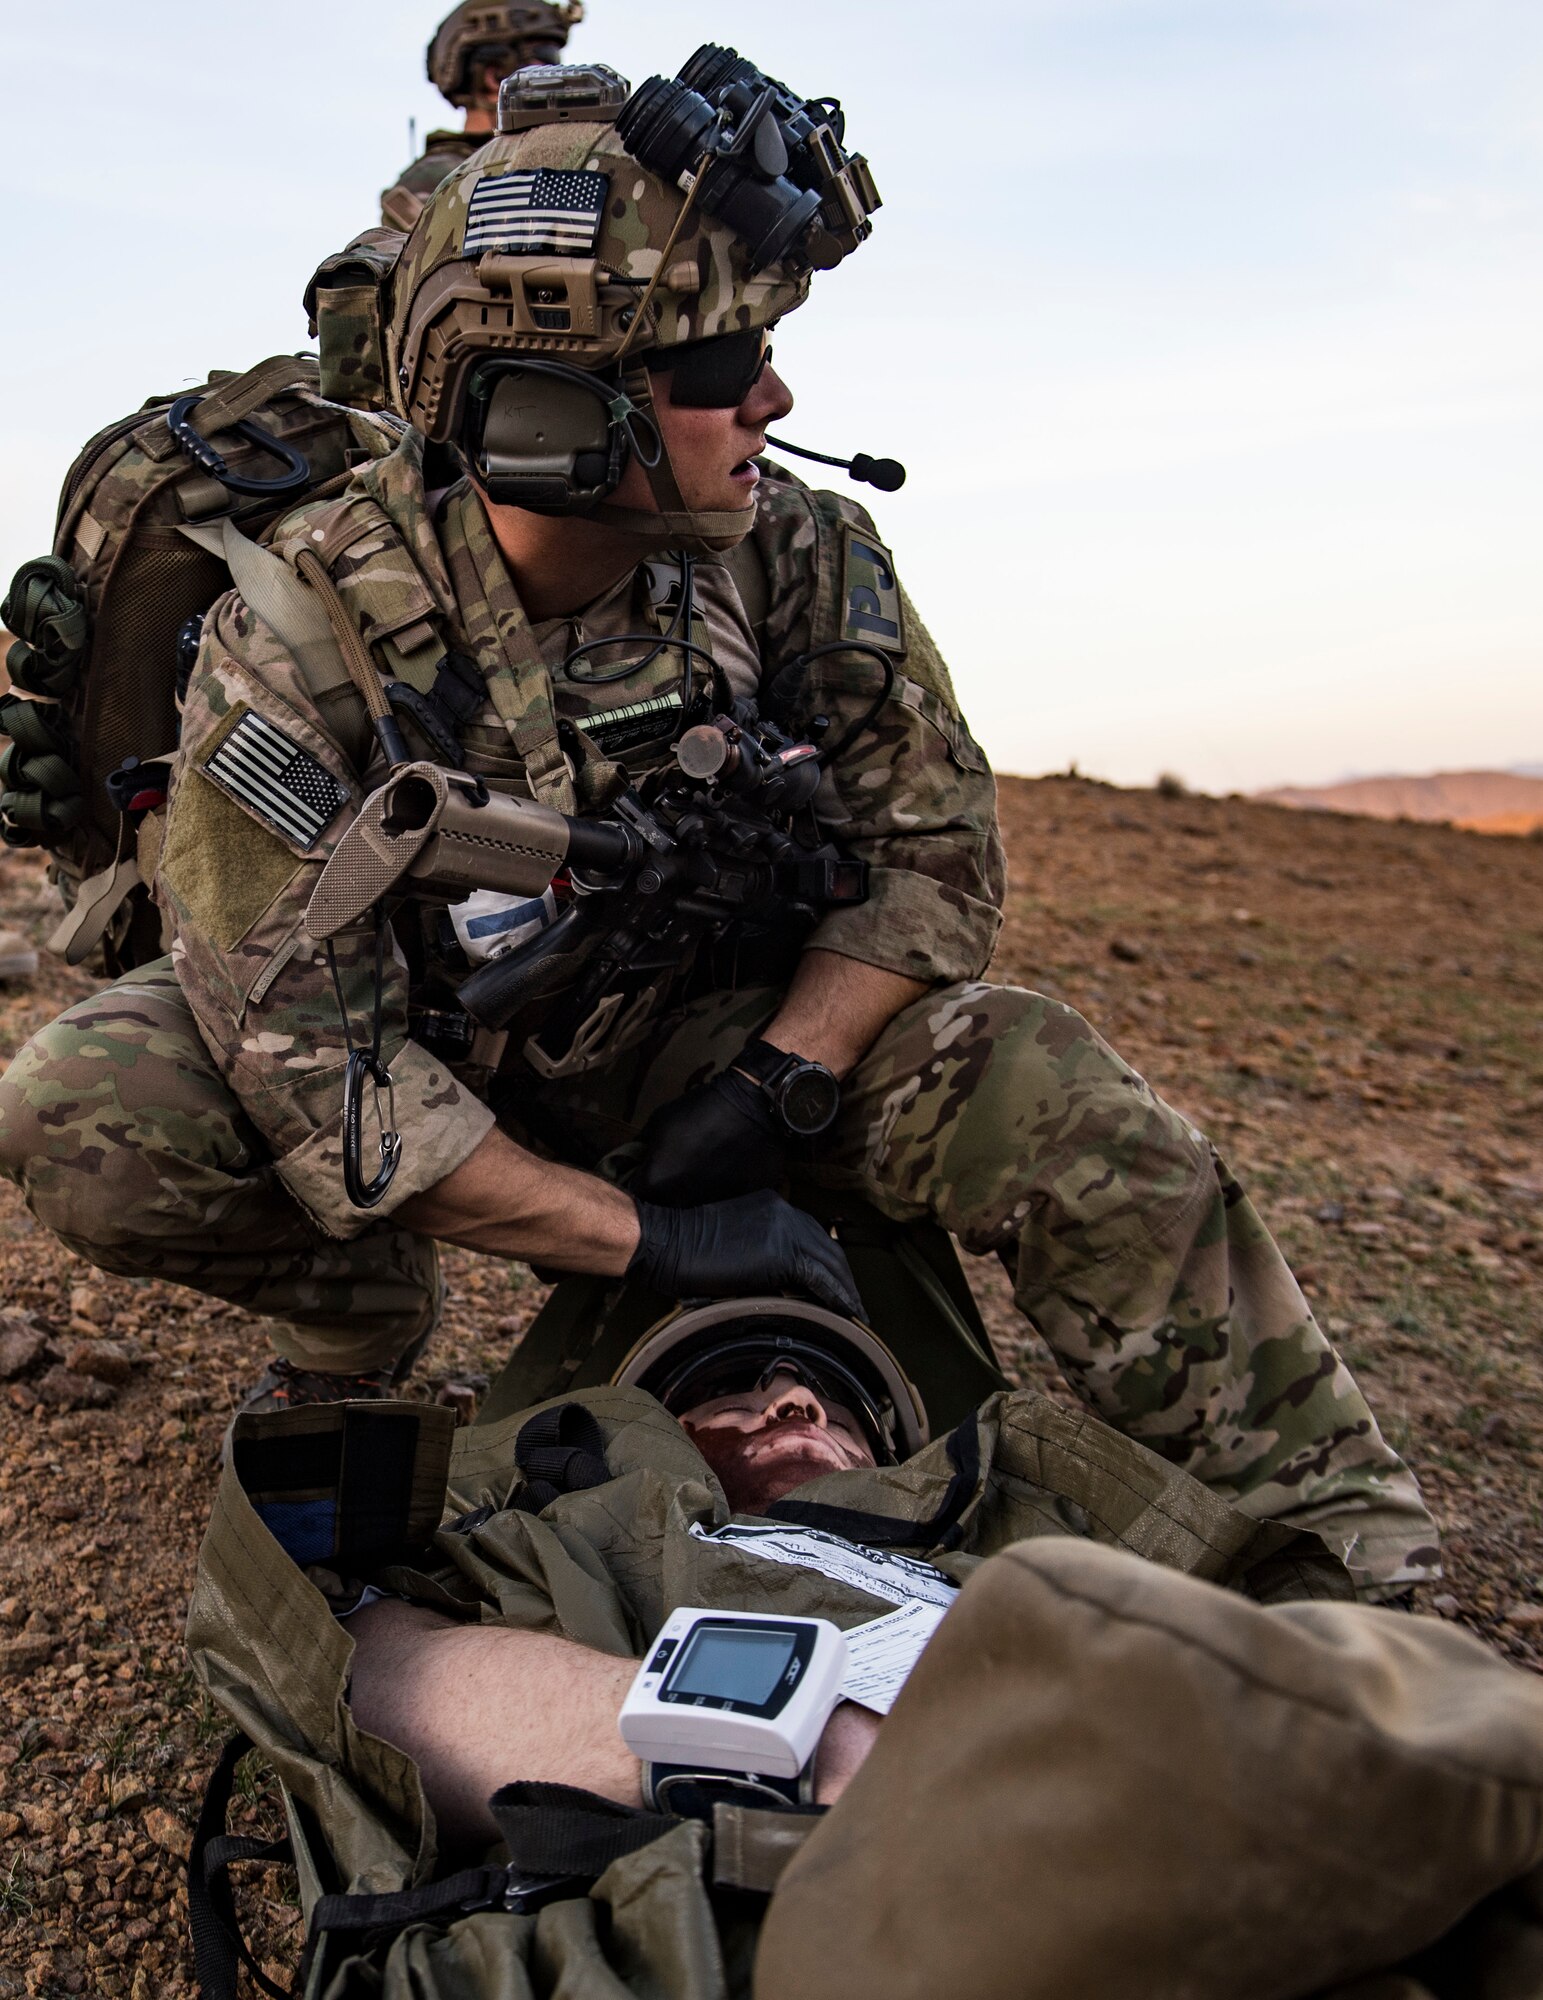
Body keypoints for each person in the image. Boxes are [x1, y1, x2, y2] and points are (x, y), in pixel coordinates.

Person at [0, 51, 1436, 1601]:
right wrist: (649, 1245)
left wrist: (778, 1082)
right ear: (558, 415)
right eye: (720, 361)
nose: (773, 397)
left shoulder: (794, 549)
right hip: (425, 1062)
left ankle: (1341, 1556)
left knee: (1039, 1083)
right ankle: (357, 1327)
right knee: (88, 1110)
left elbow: (931, 855)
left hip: (713, 1047)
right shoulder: (297, 643)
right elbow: (320, 1082)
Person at [188, 1306, 1543, 1999]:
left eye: (818, 1398)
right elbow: (365, 1669)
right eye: (729, 1396)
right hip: (828, 1903)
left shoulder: (1006, 1534)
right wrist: (836, 1749)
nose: (781, 1396)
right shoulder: (573, 1540)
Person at [380, 0, 584, 230]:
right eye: (547, 64)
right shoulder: (441, 179)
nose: (559, 79)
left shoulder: (543, 167)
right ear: (495, 77)